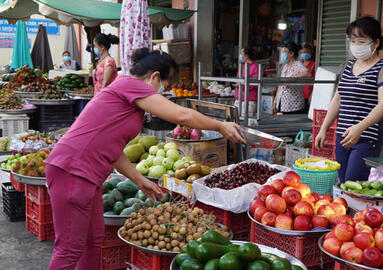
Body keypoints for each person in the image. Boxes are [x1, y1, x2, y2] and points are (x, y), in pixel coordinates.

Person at [45, 48, 246, 270]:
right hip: (72, 171)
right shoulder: (129, 85)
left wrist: (140, 180)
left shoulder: (127, 97)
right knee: (69, 249)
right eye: (164, 88)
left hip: (86, 175)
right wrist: (220, 125)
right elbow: (183, 115)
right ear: (155, 77)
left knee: (93, 242)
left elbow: (113, 151)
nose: (162, 94)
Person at [314, 16, 383, 182]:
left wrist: (359, 128)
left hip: (366, 138)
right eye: (353, 41)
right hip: (342, 136)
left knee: (354, 184)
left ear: (376, 43)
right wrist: (324, 129)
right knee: (343, 183)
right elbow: (337, 99)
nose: (356, 46)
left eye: (361, 41)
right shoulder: (348, 66)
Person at [274, 42, 311, 115]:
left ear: (291, 54)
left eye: (285, 52)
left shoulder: (297, 64)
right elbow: (280, 85)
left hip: (293, 105)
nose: (283, 54)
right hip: (282, 103)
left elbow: (308, 73)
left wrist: (291, 78)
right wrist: (275, 100)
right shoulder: (285, 66)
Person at [234, 47, 259, 117]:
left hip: (249, 100)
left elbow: (254, 83)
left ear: (246, 56)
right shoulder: (242, 66)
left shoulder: (255, 67)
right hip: (238, 98)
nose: (240, 55)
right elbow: (238, 79)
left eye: (241, 53)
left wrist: (241, 85)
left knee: (246, 122)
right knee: (236, 120)